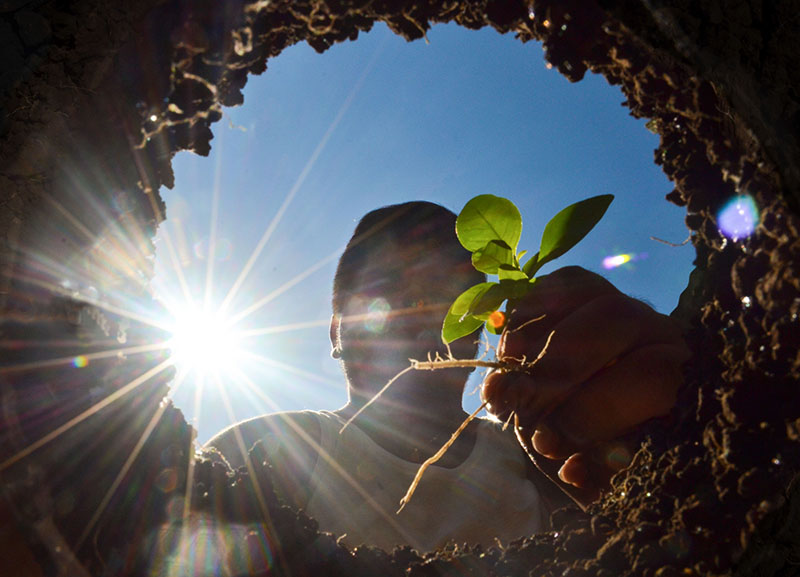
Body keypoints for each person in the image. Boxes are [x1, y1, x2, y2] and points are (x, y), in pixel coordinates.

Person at [206, 201, 689, 552]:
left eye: (448, 297)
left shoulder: (534, 458)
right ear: (337, 332)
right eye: (384, 297)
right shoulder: (277, 450)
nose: (419, 315)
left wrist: (672, 428)